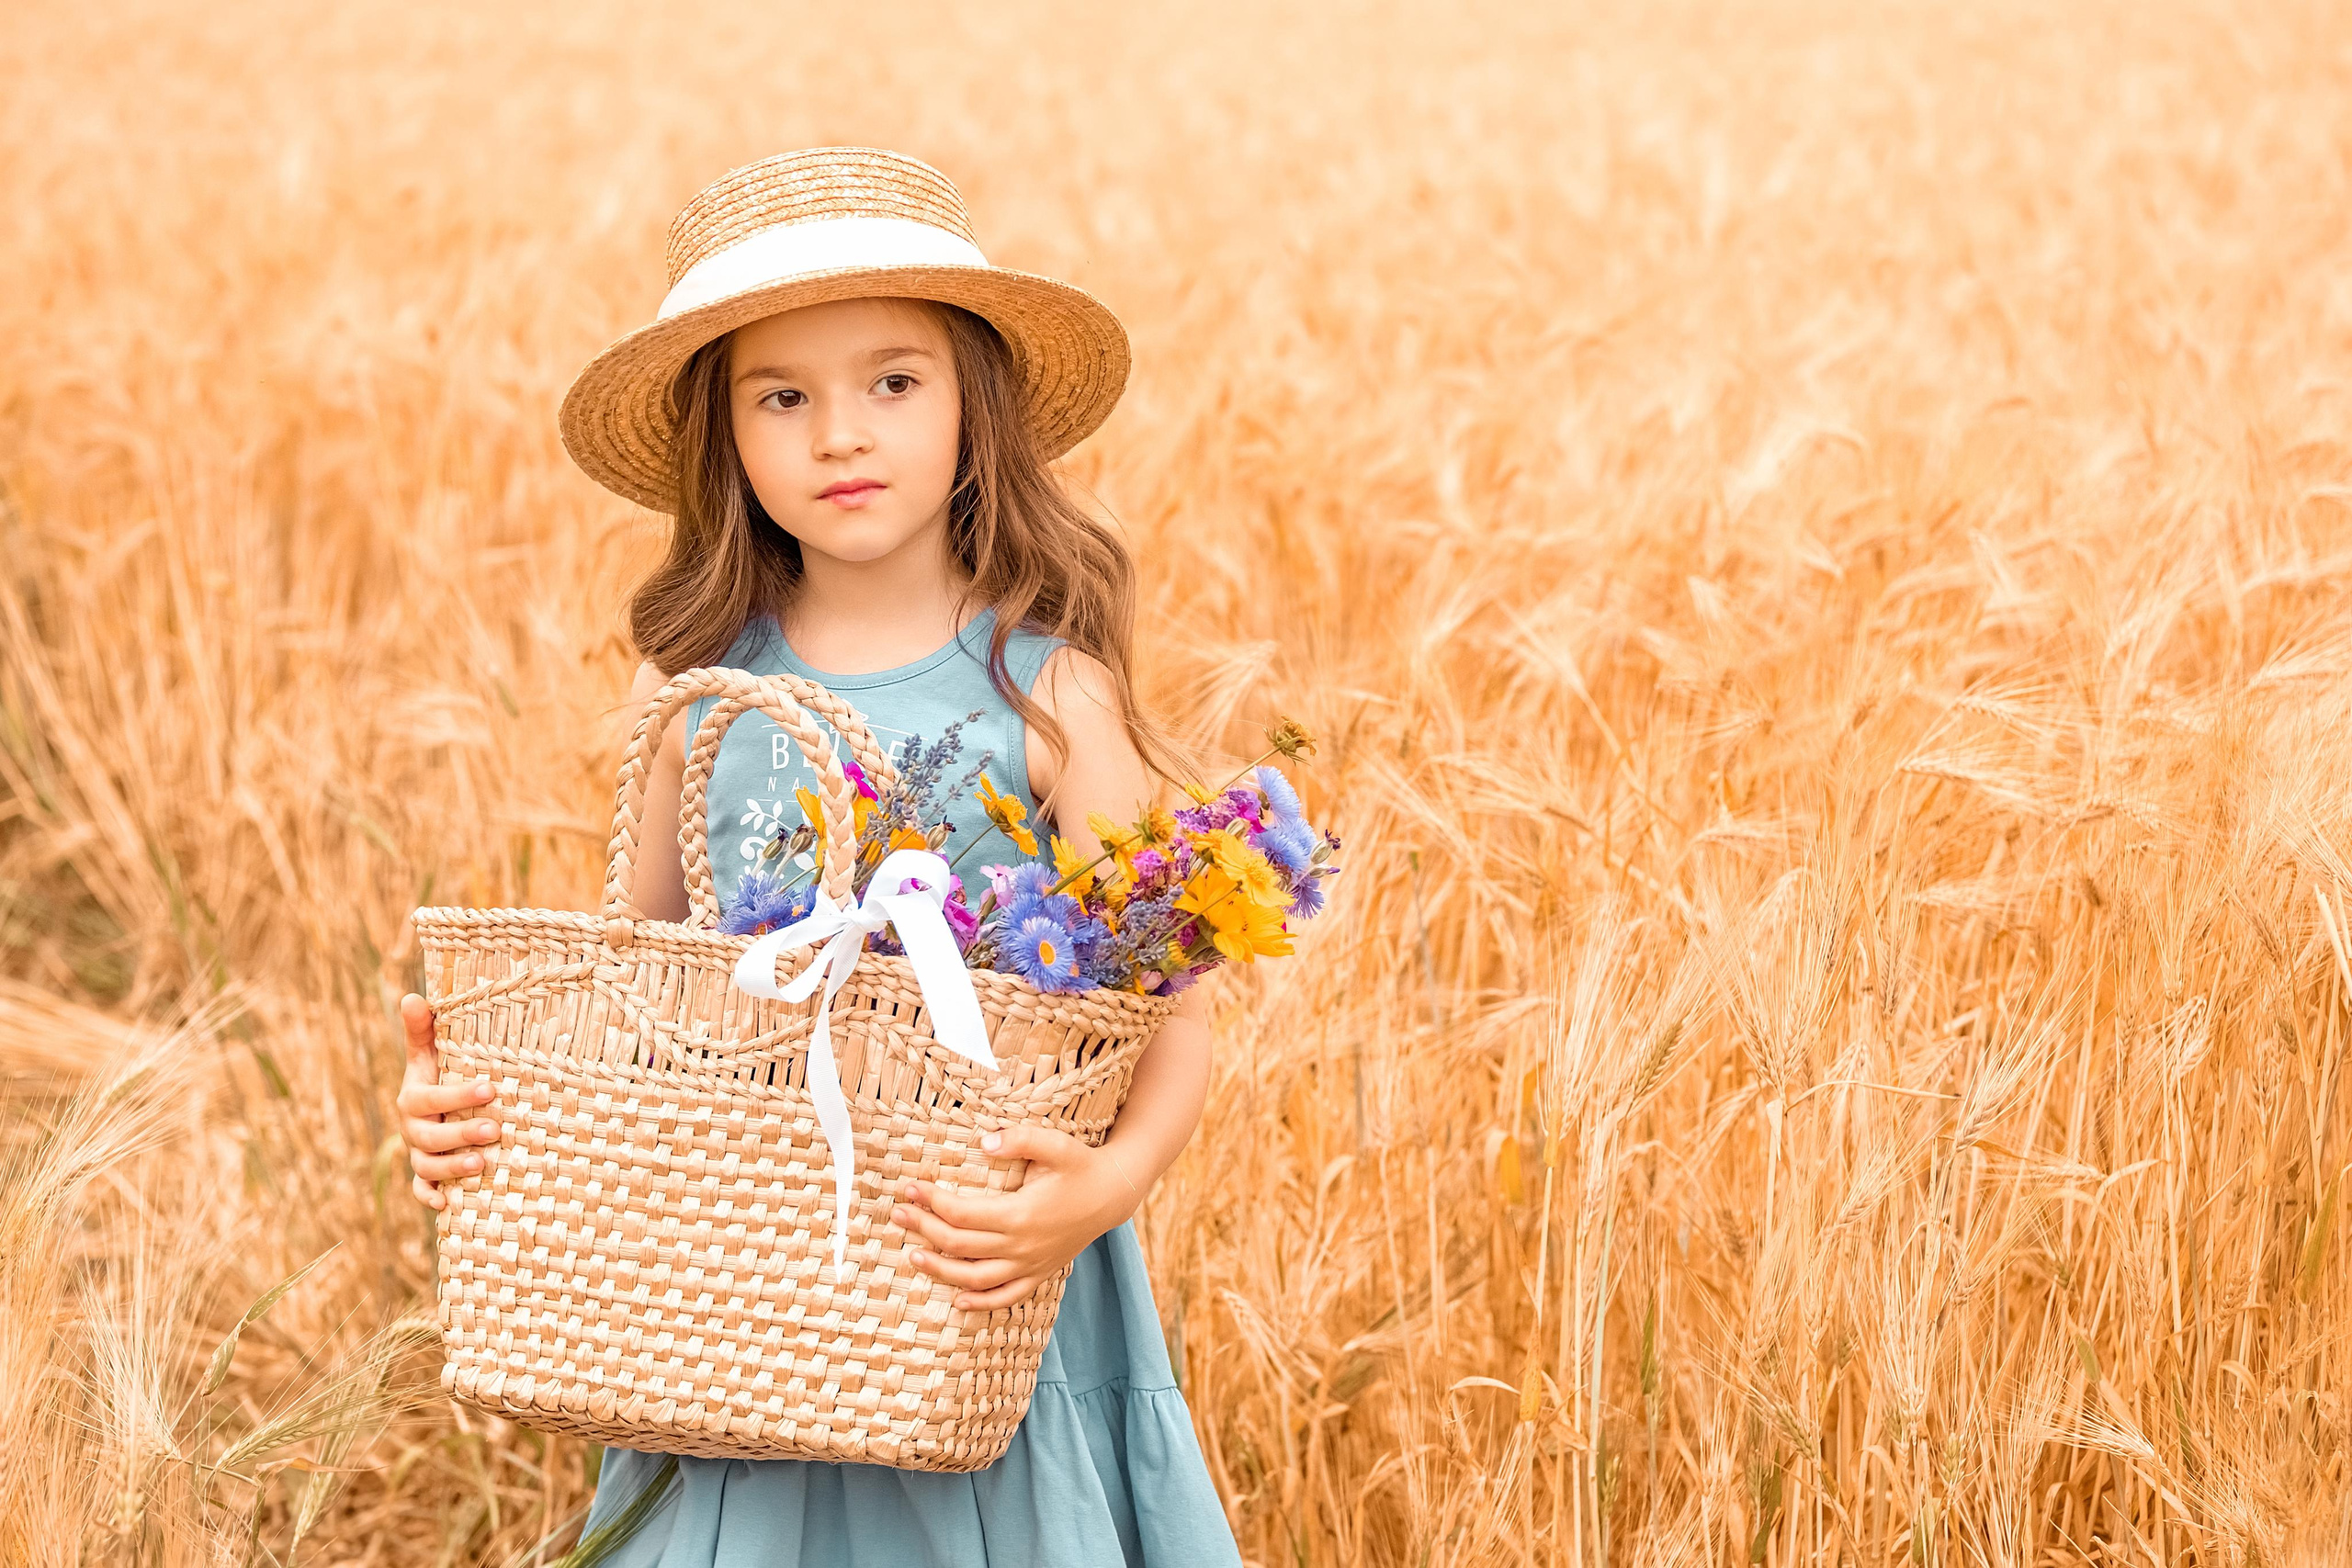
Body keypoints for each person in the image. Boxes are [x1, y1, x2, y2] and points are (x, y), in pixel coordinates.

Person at [390, 147, 1242, 1567]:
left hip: (974, 1266)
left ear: (976, 403)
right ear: (725, 440)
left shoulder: (1050, 695)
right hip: (745, 1287)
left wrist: (1105, 1188)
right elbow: (631, 1004)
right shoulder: (703, 700)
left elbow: (1178, 1005)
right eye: (781, 398)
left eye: (893, 382)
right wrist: (471, 1111)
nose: (840, 435)